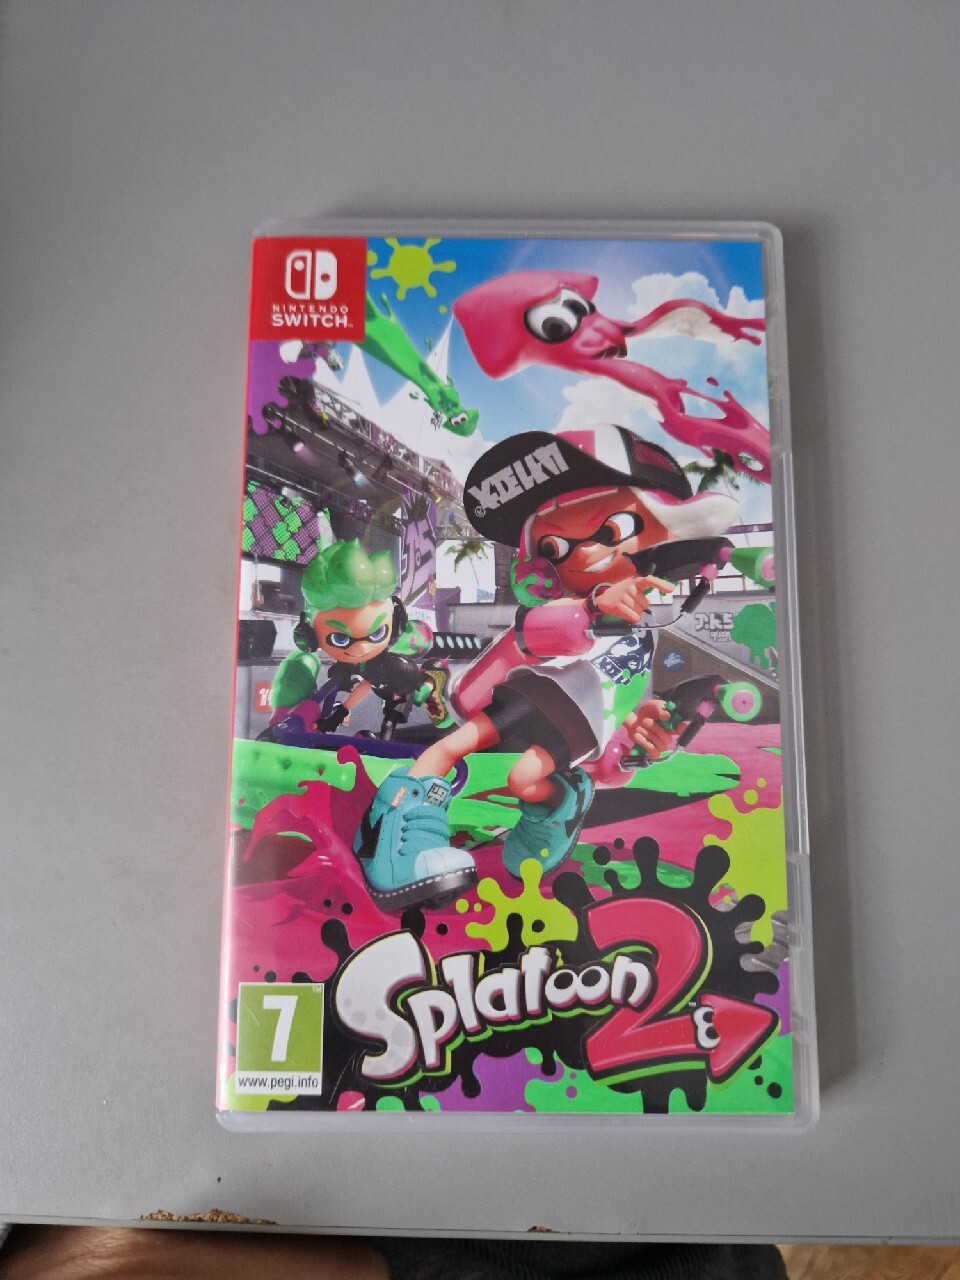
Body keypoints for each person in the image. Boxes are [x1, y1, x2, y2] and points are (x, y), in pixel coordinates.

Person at [353, 425, 738, 909]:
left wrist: (640, 736)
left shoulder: (644, 633)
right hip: (527, 692)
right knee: (450, 746)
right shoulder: (564, 610)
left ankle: (559, 805)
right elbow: (539, 632)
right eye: (554, 547)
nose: (587, 553)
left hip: (573, 720)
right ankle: (397, 839)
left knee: (523, 779)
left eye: (610, 532)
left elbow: (620, 699)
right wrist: (593, 605)